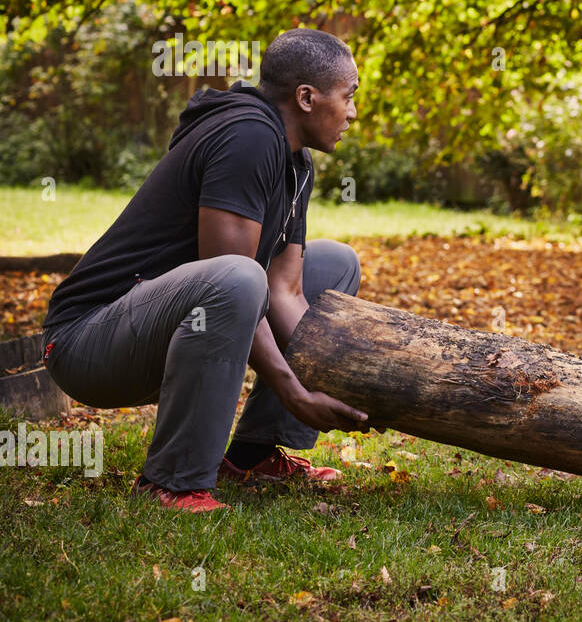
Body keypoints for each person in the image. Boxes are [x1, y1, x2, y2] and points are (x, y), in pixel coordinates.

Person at [41, 28, 371, 512]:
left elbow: (285, 290)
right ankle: (172, 481)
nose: (353, 113)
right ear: (306, 97)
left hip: (164, 327)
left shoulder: (296, 161)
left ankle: (251, 455)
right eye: (349, 97)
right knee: (236, 277)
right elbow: (231, 280)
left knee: (336, 263)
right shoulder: (248, 137)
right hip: (87, 341)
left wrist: (347, 377)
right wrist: (293, 391)